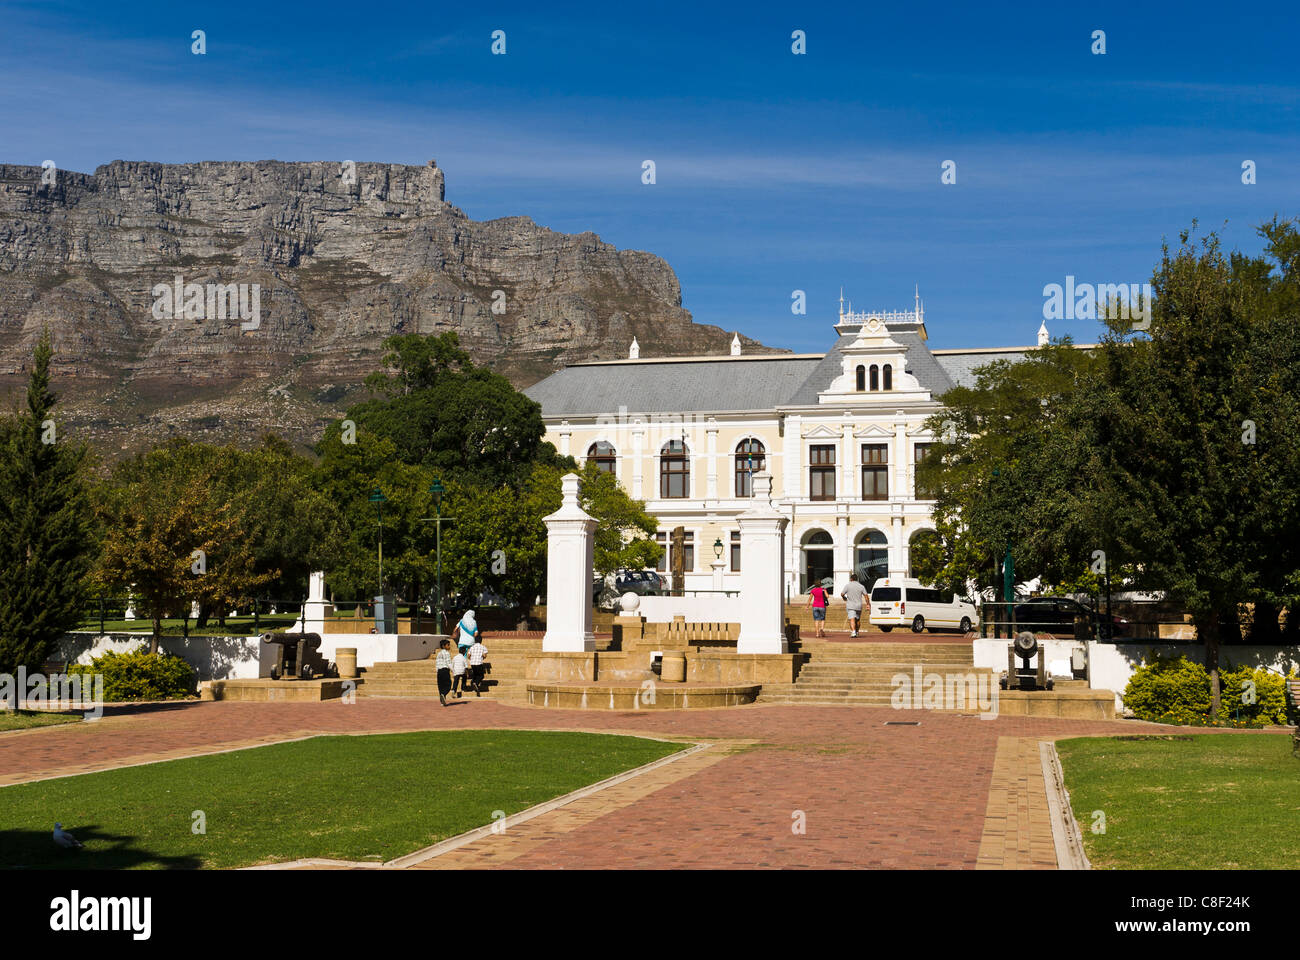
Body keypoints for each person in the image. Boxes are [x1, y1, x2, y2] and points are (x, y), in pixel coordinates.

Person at [841, 573, 869, 638]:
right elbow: (866, 596)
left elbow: (842, 594)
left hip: (850, 605)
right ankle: (857, 631)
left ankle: (853, 631)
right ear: (857, 579)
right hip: (858, 605)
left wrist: (844, 598)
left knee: (852, 619)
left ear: (851, 579)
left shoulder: (848, 585)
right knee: (858, 619)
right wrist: (868, 604)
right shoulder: (861, 586)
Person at [435, 638, 453, 706]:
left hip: (439, 671)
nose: (449, 646)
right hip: (445, 670)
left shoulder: (439, 653)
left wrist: (437, 670)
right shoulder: (446, 653)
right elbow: (448, 663)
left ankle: (442, 702)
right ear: (443, 646)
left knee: (441, 686)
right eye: (448, 645)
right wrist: (453, 670)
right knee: (448, 685)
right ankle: (444, 694)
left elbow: (437, 663)